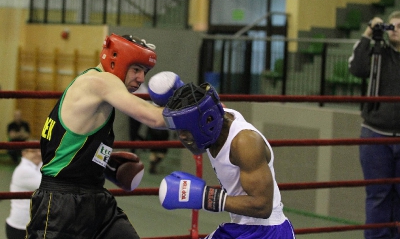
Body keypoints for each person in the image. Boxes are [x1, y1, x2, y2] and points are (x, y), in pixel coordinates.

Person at [26, 34, 182, 239]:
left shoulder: (100, 86)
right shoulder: (100, 82)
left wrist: (99, 161)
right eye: (136, 69)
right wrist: (200, 109)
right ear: (117, 60)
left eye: (144, 72)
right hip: (61, 205)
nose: (141, 79)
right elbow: (153, 119)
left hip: (95, 199)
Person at [156, 82, 295, 238]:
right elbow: (155, 118)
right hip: (243, 228)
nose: (181, 136)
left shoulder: (245, 142)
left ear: (206, 121)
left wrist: (206, 197)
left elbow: (262, 206)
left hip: (266, 232)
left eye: (185, 129)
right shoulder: (214, 117)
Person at [349, 10, 400, 239]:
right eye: (392, 26)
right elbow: (357, 68)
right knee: (378, 195)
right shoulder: (378, 53)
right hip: (375, 135)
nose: (395, 29)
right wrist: (370, 31)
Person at [6, 142, 42, 239]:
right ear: (24, 153)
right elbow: (51, 186)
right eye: (33, 151)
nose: (38, 153)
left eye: (40, 150)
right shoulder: (23, 170)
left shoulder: (39, 166)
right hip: (21, 228)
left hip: (34, 226)